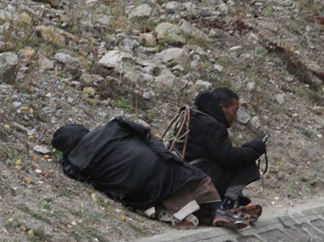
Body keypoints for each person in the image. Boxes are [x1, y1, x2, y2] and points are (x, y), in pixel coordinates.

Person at [52, 117, 250, 230]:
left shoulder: (74, 162)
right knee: (194, 179)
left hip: (136, 192)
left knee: (160, 194)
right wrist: (165, 154)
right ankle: (218, 211)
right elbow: (145, 133)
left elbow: (75, 173)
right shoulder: (113, 126)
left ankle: (196, 216)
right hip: (159, 167)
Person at [177, 87, 266, 222]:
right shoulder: (212, 125)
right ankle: (225, 207)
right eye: (234, 110)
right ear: (222, 107)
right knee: (247, 164)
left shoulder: (195, 116)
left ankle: (233, 201)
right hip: (198, 178)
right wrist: (256, 148)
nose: (235, 117)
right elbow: (229, 158)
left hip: (183, 174)